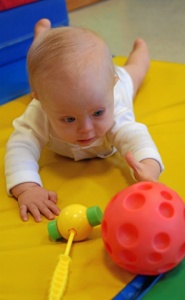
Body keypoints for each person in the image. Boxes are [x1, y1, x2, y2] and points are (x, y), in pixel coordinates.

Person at [5, 19, 164, 222]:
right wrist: (27, 188)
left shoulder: (115, 103)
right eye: (69, 119)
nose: (86, 129)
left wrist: (148, 167)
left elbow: (135, 136)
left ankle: (141, 49)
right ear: (42, 103)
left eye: (97, 114)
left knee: (136, 71)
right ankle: (42, 38)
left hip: (117, 82)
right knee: (42, 69)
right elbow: (20, 146)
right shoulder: (39, 112)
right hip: (57, 89)